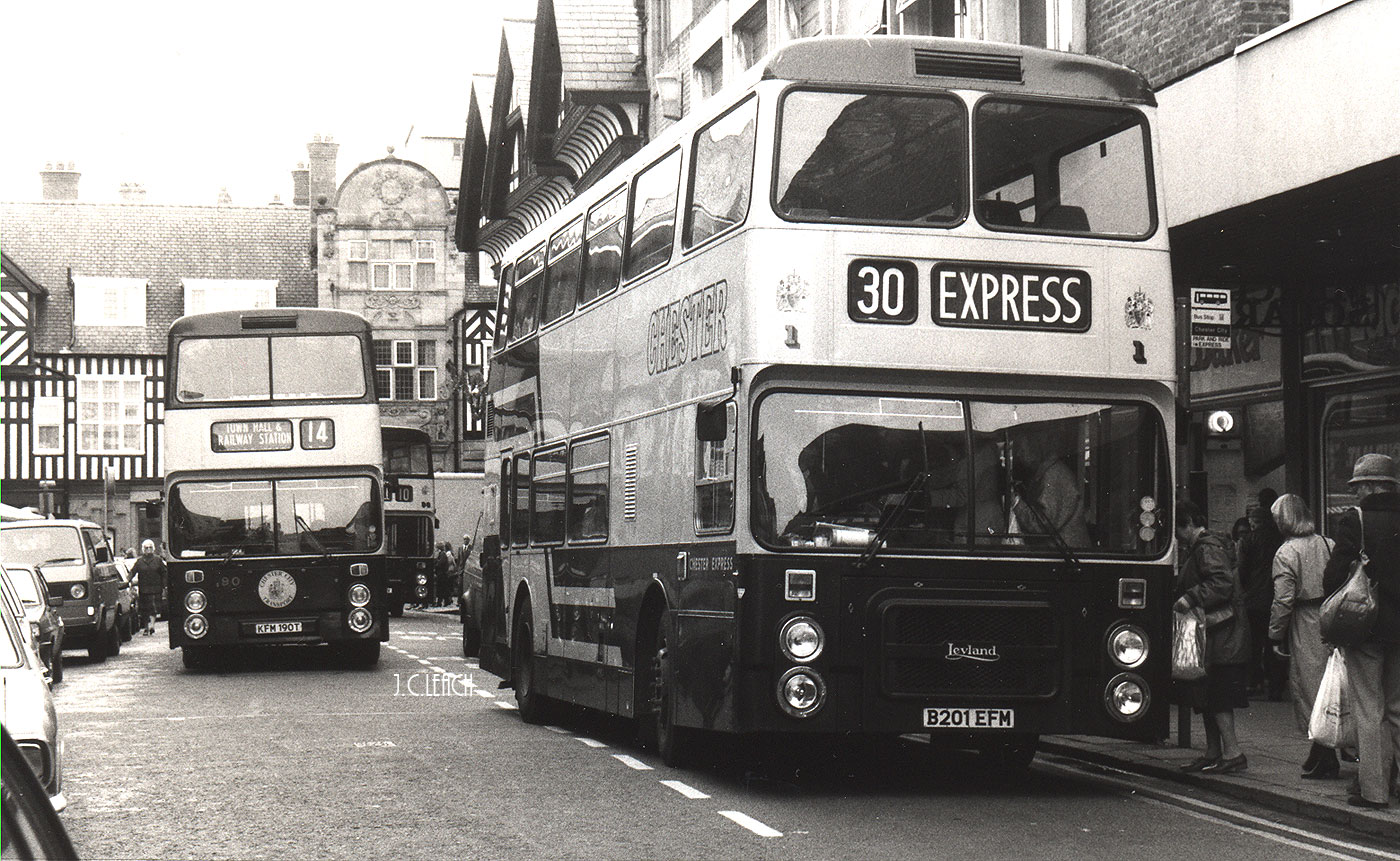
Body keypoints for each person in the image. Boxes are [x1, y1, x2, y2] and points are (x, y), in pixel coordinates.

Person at [1321, 452, 1400, 809]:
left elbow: (1334, 576)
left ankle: (1374, 791)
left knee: (1369, 708)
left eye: (1357, 486)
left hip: (1366, 626)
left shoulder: (1356, 520)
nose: (1355, 493)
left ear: (1371, 486)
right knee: (1397, 708)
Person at [1174, 499, 1252, 774]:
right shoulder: (1204, 547)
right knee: (1207, 694)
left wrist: (1190, 597)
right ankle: (1213, 752)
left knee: (1218, 696)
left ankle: (1233, 753)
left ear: (1187, 524)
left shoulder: (1206, 548)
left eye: (1177, 529)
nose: (1176, 536)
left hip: (1221, 636)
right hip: (1216, 634)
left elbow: (1221, 583)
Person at [1267, 493, 1337, 779]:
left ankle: (1326, 756)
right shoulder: (1327, 543)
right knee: (1332, 685)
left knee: (1309, 688)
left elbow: (1283, 600)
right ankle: (1320, 752)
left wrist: (1275, 635)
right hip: (1331, 616)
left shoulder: (1286, 553)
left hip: (1305, 619)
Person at [1239, 489, 1285, 699]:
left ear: (1254, 522)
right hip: (1276, 596)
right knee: (1274, 642)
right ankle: (1276, 686)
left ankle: (1254, 682)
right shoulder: (1280, 539)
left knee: (1254, 644)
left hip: (1254, 598)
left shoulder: (1248, 540)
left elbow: (1242, 570)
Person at [1012, 430, 1091, 547]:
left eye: (1022, 450)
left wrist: (1016, 503)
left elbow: (1042, 526)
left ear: (1035, 449)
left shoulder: (1053, 475)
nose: (1018, 455)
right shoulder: (1047, 473)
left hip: (1064, 551)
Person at [132, 539, 167, 636]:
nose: (148, 549)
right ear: (143, 549)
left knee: (153, 608)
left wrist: (165, 585)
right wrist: (127, 580)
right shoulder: (139, 561)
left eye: (150, 547)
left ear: (153, 548)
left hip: (156, 588)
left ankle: (152, 626)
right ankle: (146, 628)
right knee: (144, 610)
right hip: (143, 589)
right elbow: (133, 571)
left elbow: (164, 573)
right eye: (146, 548)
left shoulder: (158, 560)